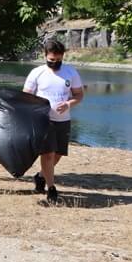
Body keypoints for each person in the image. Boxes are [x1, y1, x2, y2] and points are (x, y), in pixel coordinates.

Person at [23, 40, 85, 203]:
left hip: (63, 119)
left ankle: (41, 176)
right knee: (48, 154)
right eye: (51, 60)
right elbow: (26, 96)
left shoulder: (71, 73)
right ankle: (51, 189)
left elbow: (79, 95)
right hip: (43, 120)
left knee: (58, 154)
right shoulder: (37, 73)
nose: (54, 63)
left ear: (62, 57)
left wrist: (68, 103)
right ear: (45, 56)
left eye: (58, 60)